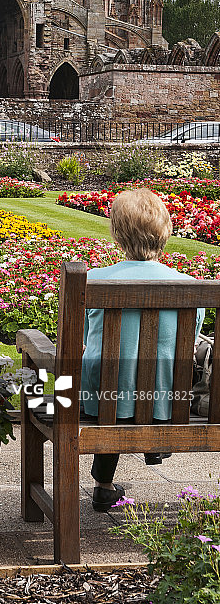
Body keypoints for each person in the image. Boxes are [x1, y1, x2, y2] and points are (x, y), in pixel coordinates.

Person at [81, 188, 205, 511]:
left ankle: (104, 484)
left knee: (114, 375)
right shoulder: (191, 287)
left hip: (101, 404)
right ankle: (154, 442)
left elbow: (86, 341)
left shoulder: (93, 281)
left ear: (117, 234)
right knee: (145, 377)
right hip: (167, 404)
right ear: (165, 232)